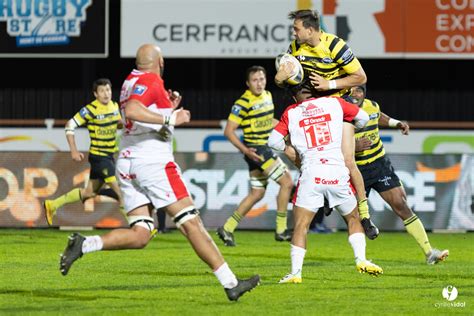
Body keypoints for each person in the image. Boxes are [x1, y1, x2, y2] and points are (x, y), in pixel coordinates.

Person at [58, 44, 260, 301]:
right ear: (160, 61)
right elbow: (132, 110)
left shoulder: (130, 80)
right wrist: (170, 118)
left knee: (141, 233)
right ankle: (231, 283)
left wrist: (169, 107)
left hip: (128, 162)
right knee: (191, 223)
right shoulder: (151, 79)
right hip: (153, 164)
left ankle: (84, 244)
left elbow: (137, 110)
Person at [274, 9, 379, 240]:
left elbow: (361, 77)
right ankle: (323, 198)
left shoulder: (335, 46)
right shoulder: (294, 49)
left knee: (348, 160)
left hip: (337, 106)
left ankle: (365, 216)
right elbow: (287, 79)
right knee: (297, 152)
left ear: (310, 29)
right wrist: (279, 79)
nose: (294, 32)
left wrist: (329, 84)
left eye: (296, 28)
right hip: (312, 110)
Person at [268, 86, 383, 283]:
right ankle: (361, 259)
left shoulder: (291, 111)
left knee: (301, 226)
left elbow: (273, 141)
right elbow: (363, 117)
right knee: (354, 218)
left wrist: (289, 149)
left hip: (311, 172)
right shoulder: (334, 103)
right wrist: (345, 131)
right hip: (336, 171)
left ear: (294, 96)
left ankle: (296, 274)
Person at [351, 84, 449, 264]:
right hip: (356, 168)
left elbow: (378, 117)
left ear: (364, 93)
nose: (355, 93)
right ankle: (362, 260)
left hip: (379, 164)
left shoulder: (371, 105)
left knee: (401, 204)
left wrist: (397, 123)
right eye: (352, 89)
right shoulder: (341, 111)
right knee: (355, 216)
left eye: (360, 90)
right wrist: (353, 146)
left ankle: (429, 253)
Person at [216, 66, 294, 246]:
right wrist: (245, 150)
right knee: (287, 182)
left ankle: (227, 228)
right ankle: (281, 230)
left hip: (261, 149)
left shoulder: (267, 95)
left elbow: (268, 122)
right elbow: (229, 131)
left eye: (261, 79)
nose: (259, 83)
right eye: (255, 80)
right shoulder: (242, 103)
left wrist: (286, 129)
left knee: (257, 193)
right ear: (247, 83)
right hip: (257, 150)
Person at [43, 78, 124, 226]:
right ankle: (140, 228)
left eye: (108, 90)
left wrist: (121, 124)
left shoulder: (114, 106)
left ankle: (52, 205)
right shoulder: (90, 110)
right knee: (120, 193)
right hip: (99, 157)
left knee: (89, 193)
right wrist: (73, 150)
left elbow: (118, 124)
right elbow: (69, 125)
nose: (106, 93)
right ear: (95, 94)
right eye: (102, 91)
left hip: (109, 156)